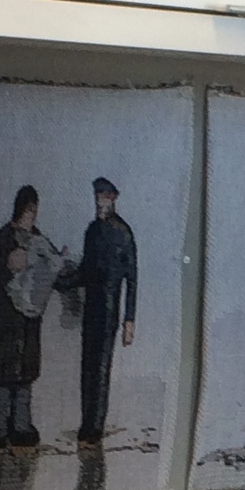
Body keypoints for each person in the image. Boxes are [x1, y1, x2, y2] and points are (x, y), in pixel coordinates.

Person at [74, 176, 138, 451]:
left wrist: (129, 319)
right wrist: (58, 279)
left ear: (113, 199)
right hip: (91, 308)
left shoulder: (123, 233)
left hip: (109, 310)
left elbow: (132, 279)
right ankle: (86, 424)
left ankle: (94, 428)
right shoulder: (92, 231)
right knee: (87, 368)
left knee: (100, 369)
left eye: (104, 197)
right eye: (97, 197)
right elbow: (84, 271)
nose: (100, 202)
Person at [0, 186, 49, 452]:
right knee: (4, 381)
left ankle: (21, 428)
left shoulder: (38, 239)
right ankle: (0, 431)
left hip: (29, 325)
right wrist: (9, 266)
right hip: (7, 325)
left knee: (24, 380)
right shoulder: (3, 239)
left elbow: (49, 267)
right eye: (29, 210)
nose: (31, 216)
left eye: (34, 210)